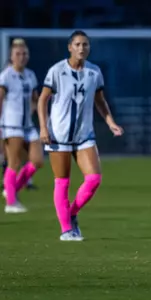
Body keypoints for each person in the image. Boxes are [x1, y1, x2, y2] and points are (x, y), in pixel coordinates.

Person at [37, 30, 124, 241]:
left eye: (85, 44)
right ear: (70, 47)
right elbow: (42, 100)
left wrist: (111, 123)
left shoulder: (94, 72)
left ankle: (72, 212)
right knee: (62, 182)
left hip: (84, 135)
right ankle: (66, 229)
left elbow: (100, 101)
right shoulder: (57, 71)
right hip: (59, 134)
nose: (81, 48)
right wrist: (43, 128)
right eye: (77, 44)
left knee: (94, 179)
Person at [0, 38, 44, 213]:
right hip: (11, 125)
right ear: (11, 56)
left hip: (28, 125)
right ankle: (11, 203)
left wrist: (36, 110)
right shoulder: (6, 76)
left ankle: (11, 190)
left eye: (25, 53)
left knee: (38, 161)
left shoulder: (30, 75)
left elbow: (36, 99)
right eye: (18, 54)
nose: (22, 57)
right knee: (14, 162)